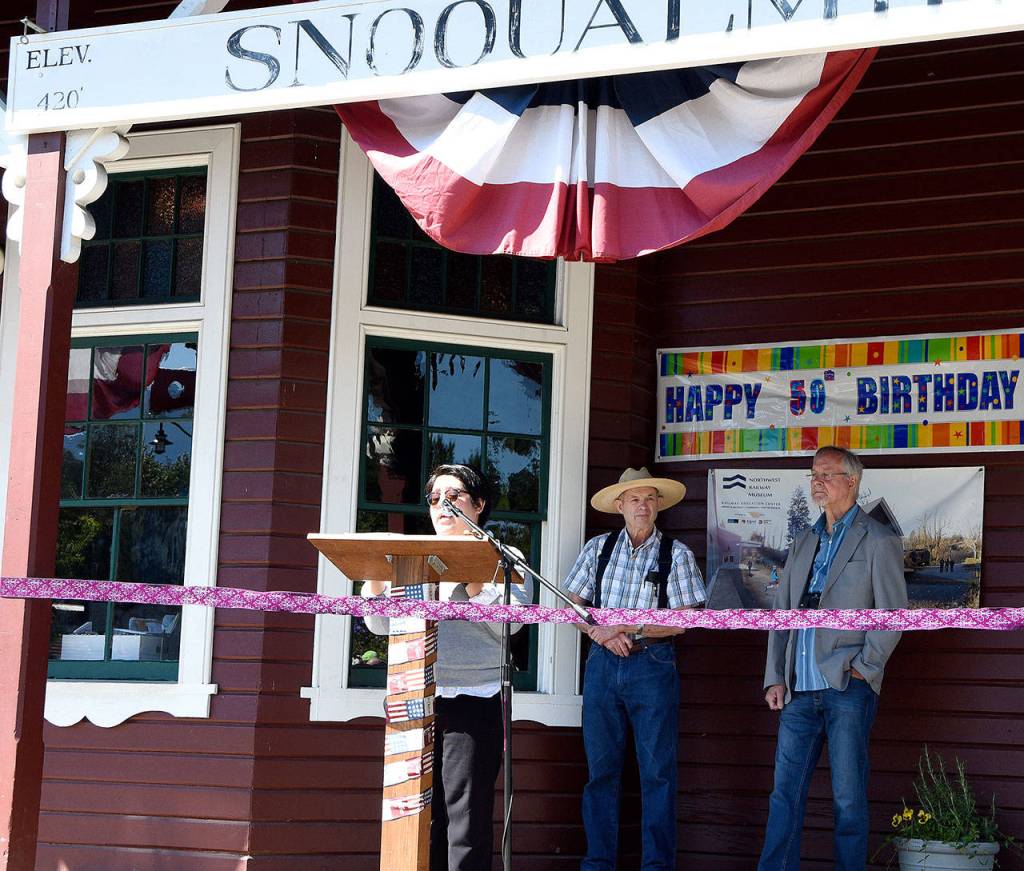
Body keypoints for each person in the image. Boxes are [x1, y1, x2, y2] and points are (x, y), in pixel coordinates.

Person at [364, 463, 533, 871]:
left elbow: (509, 626)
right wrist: (372, 577)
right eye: (436, 498)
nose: (443, 505)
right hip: (416, 700)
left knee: (466, 821)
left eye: (454, 496)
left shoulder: (505, 558)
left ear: (478, 505)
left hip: (474, 701)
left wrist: (474, 580)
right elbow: (380, 625)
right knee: (423, 817)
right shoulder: (414, 558)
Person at [758, 446, 908, 871]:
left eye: (826, 473)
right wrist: (775, 677)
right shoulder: (804, 541)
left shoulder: (878, 539)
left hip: (847, 686)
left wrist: (865, 669)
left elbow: (893, 616)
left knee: (847, 798)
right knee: (784, 795)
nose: (817, 481)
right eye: (813, 474)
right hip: (798, 690)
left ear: (852, 480)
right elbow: (782, 613)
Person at [562, 467, 706, 870]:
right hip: (603, 664)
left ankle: (657, 866)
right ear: (620, 506)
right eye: (634, 499)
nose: (642, 506)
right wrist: (602, 633)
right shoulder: (598, 549)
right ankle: (598, 863)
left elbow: (685, 619)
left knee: (657, 775)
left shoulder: (676, 553)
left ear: (658, 505)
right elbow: (569, 604)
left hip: (654, 664)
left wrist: (630, 626)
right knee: (601, 773)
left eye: (649, 498)